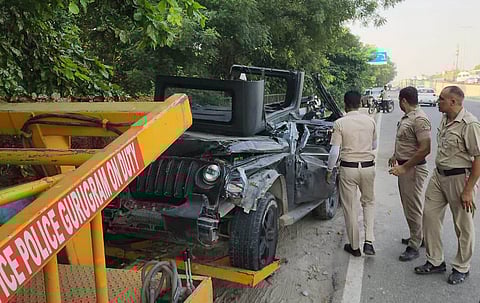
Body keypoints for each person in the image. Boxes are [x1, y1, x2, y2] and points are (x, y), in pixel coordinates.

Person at [414, 86, 480, 285]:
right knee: (430, 216)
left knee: (463, 225)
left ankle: (462, 267)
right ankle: (435, 261)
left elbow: (478, 157)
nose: (437, 101)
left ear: (453, 101)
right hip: (439, 175)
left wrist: (468, 189)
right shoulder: (445, 118)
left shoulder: (469, 124)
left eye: (441, 99)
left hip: (459, 179)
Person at [326, 90, 377, 257]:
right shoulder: (371, 122)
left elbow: (334, 151)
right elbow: (374, 145)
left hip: (348, 168)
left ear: (345, 103)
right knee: (368, 203)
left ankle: (354, 246)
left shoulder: (340, 123)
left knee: (350, 207)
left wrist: (329, 170)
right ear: (361, 103)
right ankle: (369, 240)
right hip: (368, 167)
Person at [388, 86, 431, 261]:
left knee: (412, 207)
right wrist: (395, 156)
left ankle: (414, 245)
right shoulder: (408, 117)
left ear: (403, 100)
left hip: (413, 168)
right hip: (406, 165)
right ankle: (418, 235)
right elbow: (407, 142)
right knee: (411, 206)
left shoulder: (419, 119)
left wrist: (405, 167)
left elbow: (425, 148)